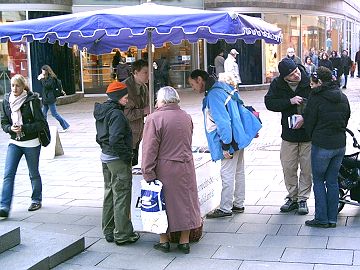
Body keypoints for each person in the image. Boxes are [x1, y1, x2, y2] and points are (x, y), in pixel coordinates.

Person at [189, 69, 261, 219]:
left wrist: (226, 145)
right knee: (239, 171)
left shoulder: (213, 95)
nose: (193, 88)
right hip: (239, 134)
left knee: (227, 173)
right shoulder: (222, 86)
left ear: (199, 80)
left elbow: (223, 122)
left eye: (192, 84)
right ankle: (238, 203)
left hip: (230, 139)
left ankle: (225, 208)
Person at [141, 86, 201, 254]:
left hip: (165, 167)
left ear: (162, 100)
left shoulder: (154, 118)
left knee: (162, 204)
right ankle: (184, 241)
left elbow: (149, 149)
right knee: (186, 203)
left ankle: (164, 240)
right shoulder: (186, 117)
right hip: (186, 165)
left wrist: (147, 172)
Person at [93, 81, 140, 245]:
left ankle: (108, 229)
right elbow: (115, 140)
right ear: (117, 97)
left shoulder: (102, 111)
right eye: (125, 97)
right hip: (117, 159)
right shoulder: (117, 114)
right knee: (121, 195)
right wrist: (128, 155)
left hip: (105, 157)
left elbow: (100, 137)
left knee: (109, 193)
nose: (127, 100)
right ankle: (122, 234)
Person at [303, 67, 350, 228]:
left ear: (320, 82)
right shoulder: (342, 96)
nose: (311, 86)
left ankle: (321, 218)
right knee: (332, 181)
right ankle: (332, 219)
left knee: (318, 180)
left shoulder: (316, 97)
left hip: (322, 145)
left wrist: (313, 136)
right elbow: (346, 118)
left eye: (313, 82)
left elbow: (308, 121)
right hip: (340, 144)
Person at [264, 58, 312, 215]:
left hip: (308, 134)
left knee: (307, 168)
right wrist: (289, 101)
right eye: (292, 75)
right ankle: (292, 197)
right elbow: (269, 103)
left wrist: (305, 116)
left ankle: (303, 199)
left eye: (296, 71)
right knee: (288, 167)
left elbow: (318, 104)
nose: (296, 75)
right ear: (285, 77)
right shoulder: (278, 84)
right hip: (289, 133)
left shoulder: (309, 79)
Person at [0, 74, 48, 219]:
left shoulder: (32, 100)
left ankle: (36, 200)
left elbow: (41, 123)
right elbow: (3, 123)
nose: (15, 88)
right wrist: (10, 129)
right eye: (13, 85)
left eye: (18, 86)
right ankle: (4, 206)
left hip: (31, 143)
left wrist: (24, 128)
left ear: (23, 87)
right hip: (14, 142)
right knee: (8, 174)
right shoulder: (6, 101)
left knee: (33, 173)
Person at [123, 59, 150, 166]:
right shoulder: (125, 88)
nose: (148, 75)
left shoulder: (144, 87)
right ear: (135, 73)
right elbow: (127, 114)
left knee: (133, 164)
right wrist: (144, 111)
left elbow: (146, 106)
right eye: (145, 72)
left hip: (137, 133)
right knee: (127, 166)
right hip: (126, 133)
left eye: (149, 72)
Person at [38, 65, 70, 132]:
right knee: (43, 114)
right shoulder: (45, 78)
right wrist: (42, 79)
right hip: (46, 98)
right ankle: (44, 128)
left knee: (54, 114)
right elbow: (44, 86)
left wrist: (41, 79)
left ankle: (65, 126)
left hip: (50, 98)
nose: (42, 72)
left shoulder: (51, 78)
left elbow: (47, 86)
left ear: (46, 70)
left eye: (43, 70)